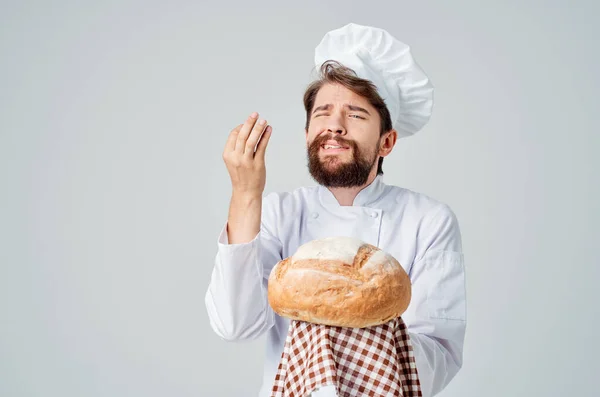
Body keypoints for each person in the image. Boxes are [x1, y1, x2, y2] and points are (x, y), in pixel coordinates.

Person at [205, 23, 467, 397]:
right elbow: (236, 326)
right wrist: (246, 194)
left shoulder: (428, 220)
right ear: (309, 133)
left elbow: (439, 359)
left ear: (387, 142)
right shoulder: (279, 213)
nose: (335, 127)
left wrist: (361, 330)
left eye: (356, 115)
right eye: (322, 114)